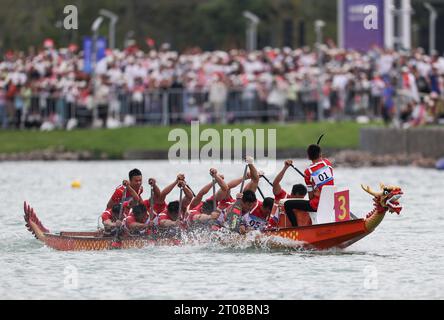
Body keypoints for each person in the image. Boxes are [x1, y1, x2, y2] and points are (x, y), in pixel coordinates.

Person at [283, 144, 334, 226]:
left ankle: (296, 229)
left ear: (309, 157)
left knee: (287, 204)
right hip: (331, 202)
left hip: (317, 205)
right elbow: (321, 160)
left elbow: (310, 197)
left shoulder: (308, 172)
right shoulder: (328, 164)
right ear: (320, 154)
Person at [271, 160, 312, 227]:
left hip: (293, 231)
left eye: (302, 198)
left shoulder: (304, 203)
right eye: (298, 199)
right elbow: (275, 183)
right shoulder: (282, 196)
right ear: (292, 194)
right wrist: (285, 168)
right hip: (274, 229)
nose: (298, 202)